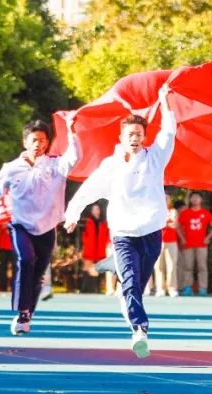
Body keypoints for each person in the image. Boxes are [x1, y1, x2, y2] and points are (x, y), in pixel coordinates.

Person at [63, 87, 175, 357]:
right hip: (123, 233)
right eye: (130, 134)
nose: (135, 138)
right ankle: (140, 329)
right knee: (130, 282)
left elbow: (169, 133)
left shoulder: (155, 159)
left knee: (138, 284)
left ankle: (127, 295)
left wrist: (165, 101)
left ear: (144, 138)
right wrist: (72, 215)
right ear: (121, 137)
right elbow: (88, 191)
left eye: (139, 134)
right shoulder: (111, 166)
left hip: (151, 231)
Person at [0, 118, 81, 332]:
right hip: (20, 225)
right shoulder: (11, 168)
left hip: (46, 227)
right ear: (25, 141)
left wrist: (71, 131)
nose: (39, 144)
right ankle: (21, 312)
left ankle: (28, 313)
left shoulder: (55, 164)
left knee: (38, 274)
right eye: (34, 140)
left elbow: (75, 157)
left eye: (43, 140)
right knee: (25, 260)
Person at [176, 192, 212, 296]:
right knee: (187, 267)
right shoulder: (185, 213)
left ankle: (203, 288)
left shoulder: (205, 212)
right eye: (193, 198)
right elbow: (177, 226)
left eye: (197, 198)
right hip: (188, 244)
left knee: (202, 267)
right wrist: (182, 239)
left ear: (201, 200)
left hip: (202, 244)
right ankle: (187, 288)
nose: (195, 199)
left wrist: (207, 238)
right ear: (190, 200)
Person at [149, 200, 180, 297]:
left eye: (167, 198)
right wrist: (166, 222)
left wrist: (163, 222)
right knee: (158, 266)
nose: (165, 200)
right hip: (157, 241)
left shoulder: (173, 211)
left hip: (171, 241)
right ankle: (160, 288)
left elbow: (175, 225)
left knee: (171, 266)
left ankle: (172, 288)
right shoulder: (155, 210)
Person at [79, 203, 112, 293]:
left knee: (99, 269)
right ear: (91, 211)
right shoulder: (88, 221)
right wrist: (85, 244)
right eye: (94, 209)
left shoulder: (103, 222)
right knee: (87, 269)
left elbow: (107, 235)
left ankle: (97, 289)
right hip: (89, 249)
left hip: (100, 249)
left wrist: (107, 244)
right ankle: (84, 289)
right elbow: (84, 235)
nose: (96, 211)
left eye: (98, 209)